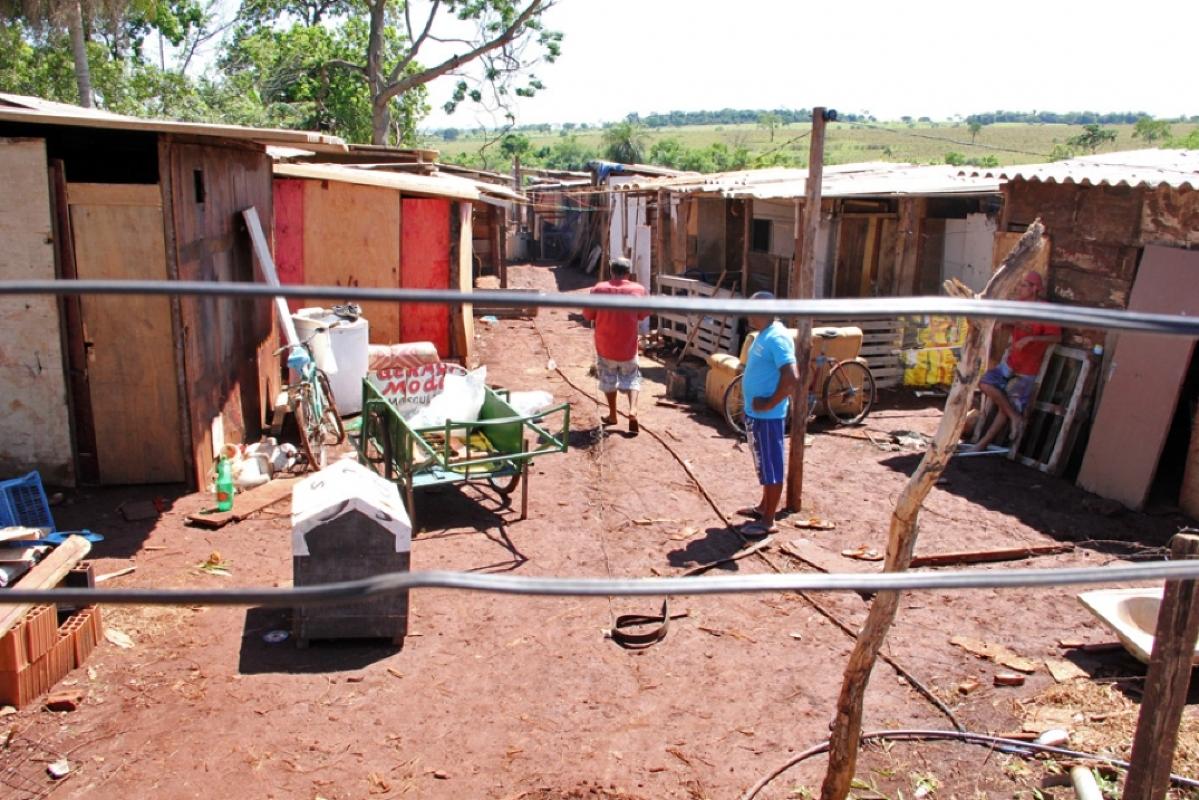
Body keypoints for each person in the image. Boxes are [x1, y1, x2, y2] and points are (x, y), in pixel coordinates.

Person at [972, 271, 1061, 452]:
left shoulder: (1045, 310)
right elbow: (1016, 323)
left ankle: (983, 443)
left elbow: (1057, 337)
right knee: (985, 383)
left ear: (1034, 289)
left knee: (1008, 404)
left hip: (1028, 368)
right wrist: (1003, 325)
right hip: (1011, 362)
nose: (1019, 288)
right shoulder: (1018, 306)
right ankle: (1015, 418)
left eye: (1023, 285)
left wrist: (1031, 339)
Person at [737, 292, 799, 537]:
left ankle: (769, 521)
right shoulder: (765, 334)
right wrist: (750, 407)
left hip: (769, 417)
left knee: (771, 467)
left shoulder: (778, 338)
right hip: (757, 414)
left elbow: (792, 377)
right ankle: (764, 507)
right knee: (764, 465)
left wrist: (769, 403)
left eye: (753, 309)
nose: (749, 314)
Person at [582, 257, 649, 434]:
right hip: (628, 346)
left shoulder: (598, 289)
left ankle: (612, 415)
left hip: (606, 346)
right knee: (632, 377)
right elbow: (643, 315)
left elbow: (588, 315)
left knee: (608, 379)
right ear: (628, 273)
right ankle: (633, 410)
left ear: (611, 271)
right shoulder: (639, 290)